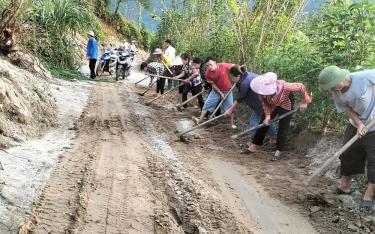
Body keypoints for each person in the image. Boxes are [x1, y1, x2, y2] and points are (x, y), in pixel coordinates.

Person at [319, 65, 375, 209]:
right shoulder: (336, 91)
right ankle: (345, 187)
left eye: (333, 85)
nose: (333, 89)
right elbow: (347, 109)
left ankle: (368, 195)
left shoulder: (365, 77)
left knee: (374, 161)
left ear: (341, 78)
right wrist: (359, 124)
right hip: (356, 123)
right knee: (347, 154)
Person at [247, 72, 312, 161]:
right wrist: (268, 116)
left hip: (285, 103)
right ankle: (254, 145)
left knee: (283, 127)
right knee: (264, 121)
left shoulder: (285, 86)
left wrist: (304, 101)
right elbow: (264, 104)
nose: (265, 93)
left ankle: (279, 151)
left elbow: (301, 86)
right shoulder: (261, 90)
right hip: (272, 105)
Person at [224, 65, 277, 153]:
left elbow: (239, 99)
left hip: (262, 104)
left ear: (238, 76)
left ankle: (253, 143)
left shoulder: (245, 82)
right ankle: (273, 138)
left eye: (232, 78)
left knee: (254, 122)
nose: (231, 81)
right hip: (261, 104)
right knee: (267, 120)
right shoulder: (247, 75)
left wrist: (230, 110)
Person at [193, 57, 235, 127]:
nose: (209, 67)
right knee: (207, 104)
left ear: (215, 62)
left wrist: (240, 71)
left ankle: (232, 124)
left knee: (231, 107)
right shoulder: (207, 73)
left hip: (228, 90)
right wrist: (221, 93)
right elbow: (213, 85)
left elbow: (234, 66)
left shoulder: (223, 66)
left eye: (210, 64)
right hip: (216, 91)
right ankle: (200, 121)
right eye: (207, 65)